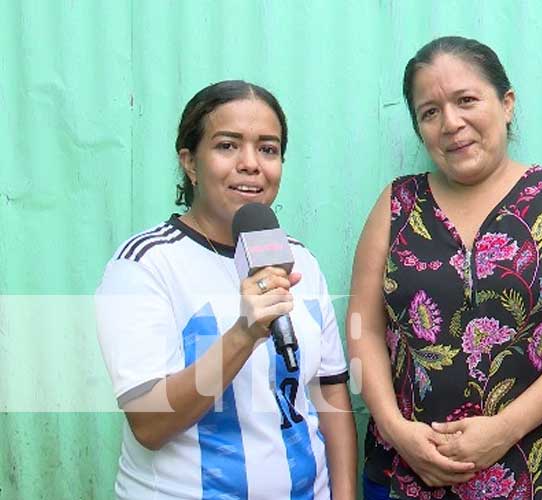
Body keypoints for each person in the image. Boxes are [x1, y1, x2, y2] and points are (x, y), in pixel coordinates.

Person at [348, 36, 542, 500]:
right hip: (407, 473)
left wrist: (504, 428)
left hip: (533, 472)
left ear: (507, 103)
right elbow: (362, 326)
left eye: (466, 100)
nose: (451, 123)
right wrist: (396, 430)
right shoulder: (397, 203)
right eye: (429, 112)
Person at [96, 80, 356, 499]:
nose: (251, 163)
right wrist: (244, 334)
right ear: (190, 162)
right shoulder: (144, 264)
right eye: (227, 146)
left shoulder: (299, 260)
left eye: (268, 149)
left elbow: (329, 393)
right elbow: (149, 424)